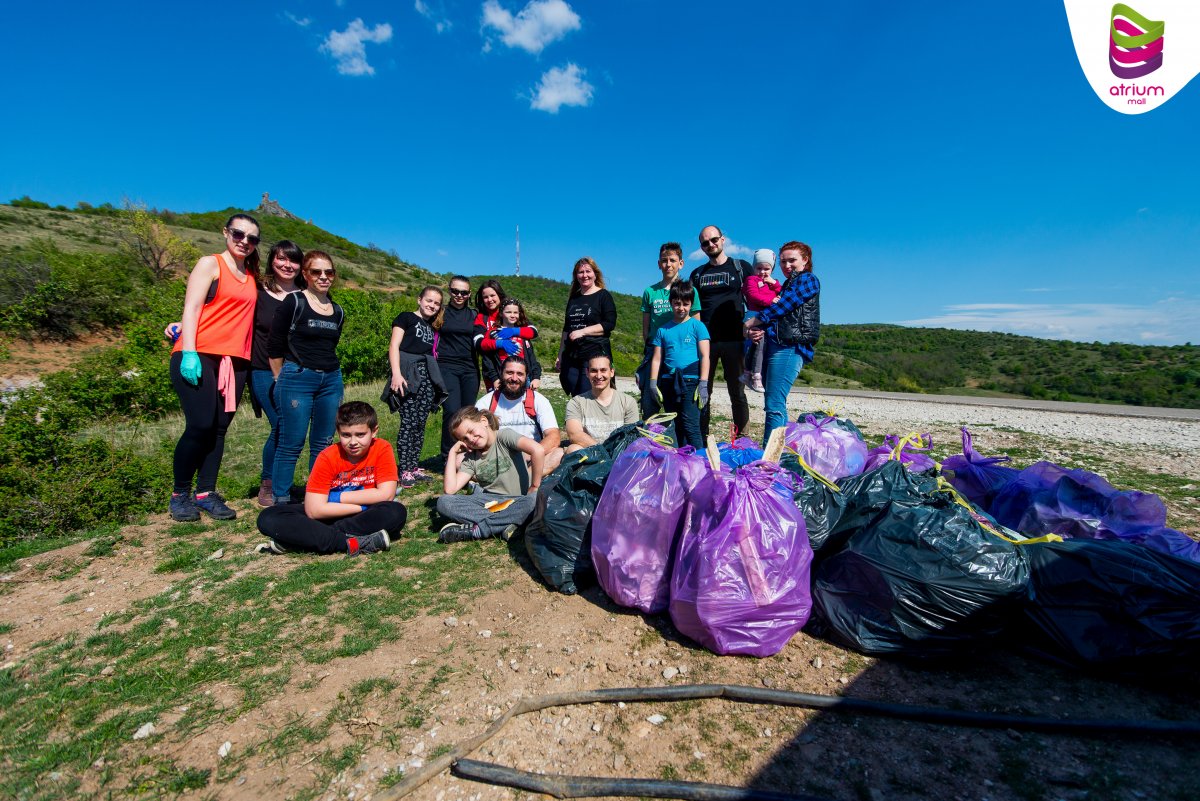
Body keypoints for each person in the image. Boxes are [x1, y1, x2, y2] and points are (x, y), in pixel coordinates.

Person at [168, 213, 261, 522]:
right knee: (200, 425)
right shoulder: (210, 264)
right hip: (199, 355)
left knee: (219, 429)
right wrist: (189, 350)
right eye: (238, 234)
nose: (244, 241)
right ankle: (180, 494)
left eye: (252, 238)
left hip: (234, 362)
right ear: (225, 232)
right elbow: (192, 307)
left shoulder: (251, 277)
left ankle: (206, 493)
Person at [256, 401, 405, 556]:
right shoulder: (327, 456)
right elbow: (314, 510)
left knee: (395, 512)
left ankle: (302, 540)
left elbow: (386, 494)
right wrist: (363, 504)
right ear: (338, 432)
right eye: (346, 435)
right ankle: (354, 543)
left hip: (360, 514)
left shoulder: (382, 448)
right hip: (329, 514)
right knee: (269, 517)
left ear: (374, 432)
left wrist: (335, 497)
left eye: (360, 435)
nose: (353, 442)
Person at [267, 251, 346, 506]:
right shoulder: (294, 302)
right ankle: (281, 497)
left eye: (329, 272)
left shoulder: (338, 311)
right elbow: (275, 343)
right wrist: (280, 377)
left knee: (323, 442)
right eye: (316, 272)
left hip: (331, 380)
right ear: (306, 274)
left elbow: (332, 345)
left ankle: (317, 493)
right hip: (297, 377)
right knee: (292, 441)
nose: (323, 277)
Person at [744, 241, 821, 446]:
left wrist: (755, 319)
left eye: (792, 260)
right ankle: (773, 453)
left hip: (790, 347)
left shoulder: (808, 280)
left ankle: (770, 461)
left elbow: (786, 306)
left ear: (805, 260)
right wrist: (756, 332)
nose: (787, 266)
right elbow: (776, 317)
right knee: (773, 403)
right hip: (776, 344)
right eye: (784, 262)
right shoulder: (787, 284)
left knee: (775, 403)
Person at [436, 406, 544, 544]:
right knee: (444, 502)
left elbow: (538, 450)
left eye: (471, 431)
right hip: (490, 504)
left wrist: (535, 485)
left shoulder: (504, 436)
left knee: (535, 500)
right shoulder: (471, 458)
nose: (471, 439)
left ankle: (479, 530)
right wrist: (452, 453)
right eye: (465, 438)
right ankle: (507, 524)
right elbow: (450, 490)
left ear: (483, 421)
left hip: (519, 501)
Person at [690, 225, 752, 440]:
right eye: (705, 243)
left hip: (735, 340)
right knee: (703, 391)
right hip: (706, 342)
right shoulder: (697, 274)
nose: (710, 244)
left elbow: (755, 298)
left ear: (723, 240)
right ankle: (701, 438)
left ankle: (742, 439)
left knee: (737, 393)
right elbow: (692, 308)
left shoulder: (740, 267)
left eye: (714, 240)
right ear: (701, 247)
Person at [386, 285, 448, 489]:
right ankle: (403, 470)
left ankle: (413, 467)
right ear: (419, 299)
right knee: (408, 423)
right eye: (429, 300)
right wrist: (396, 373)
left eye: (436, 303)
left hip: (426, 377)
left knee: (420, 424)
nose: (432, 305)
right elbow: (394, 345)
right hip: (408, 375)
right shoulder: (406, 317)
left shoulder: (431, 327)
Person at [637, 243, 701, 418]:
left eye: (673, 260)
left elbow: (696, 325)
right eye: (664, 260)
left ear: (681, 263)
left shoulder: (689, 290)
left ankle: (680, 439)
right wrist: (650, 346)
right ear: (659, 264)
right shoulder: (650, 291)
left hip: (681, 352)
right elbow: (646, 326)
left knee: (679, 399)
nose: (668, 264)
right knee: (650, 398)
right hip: (655, 350)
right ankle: (650, 437)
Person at [649, 281, 711, 450]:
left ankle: (700, 464)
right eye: (677, 303)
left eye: (685, 304)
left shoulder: (698, 326)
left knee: (691, 425)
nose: (681, 308)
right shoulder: (663, 330)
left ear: (691, 304)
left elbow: (705, 356)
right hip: (668, 381)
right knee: (675, 426)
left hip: (690, 382)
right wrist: (653, 383)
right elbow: (656, 359)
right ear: (671, 303)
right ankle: (680, 463)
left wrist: (703, 383)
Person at [475, 357, 564, 472]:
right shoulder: (485, 402)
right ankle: (523, 481)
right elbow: (475, 436)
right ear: (501, 374)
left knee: (559, 454)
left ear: (526, 376)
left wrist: (530, 454)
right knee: (460, 459)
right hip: (496, 459)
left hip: (530, 459)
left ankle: (507, 482)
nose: (514, 378)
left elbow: (554, 437)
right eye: (509, 373)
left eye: (520, 374)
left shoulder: (539, 400)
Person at [556, 257, 617, 397]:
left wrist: (583, 332)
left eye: (588, 271)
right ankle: (576, 419)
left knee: (587, 393)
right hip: (572, 355)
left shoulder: (603, 296)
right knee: (574, 392)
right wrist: (560, 355)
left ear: (595, 274)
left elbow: (609, 324)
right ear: (576, 276)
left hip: (594, 353)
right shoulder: (574, 298)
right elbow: (566, 328)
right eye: (580, 272)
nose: (584, 275)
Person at [437, 275, 481, 464]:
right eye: (455, 291)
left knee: (468, 413)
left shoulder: (474, 314)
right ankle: (448, 455)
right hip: (446, 367)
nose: (459, 295)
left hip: (470, 368)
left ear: (469, 294)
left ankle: (467, 453)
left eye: (463, 292)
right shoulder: (440, 312)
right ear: (449, 291)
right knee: (452, 411)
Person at [564, 354, 639, 452]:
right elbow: (575, 434)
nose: (599, 376)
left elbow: (631, 435)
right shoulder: (576, 403)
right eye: (594, 371)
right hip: (591, 452)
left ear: (612, 372)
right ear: (587, 373)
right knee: (573, 449)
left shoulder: (628, 402)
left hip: (619, 453)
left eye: (603, 370)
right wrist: (603, 451)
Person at [740, 248, 781, 394]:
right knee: (756, 344)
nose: (762, 272)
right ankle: (755, 375)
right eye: (759, 268)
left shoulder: (771, 283)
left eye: (767, 269)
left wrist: (774, 283)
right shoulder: (751, 280)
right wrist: (772, 301)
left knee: (760, 346)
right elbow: (753, 296)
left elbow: (781, 293)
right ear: (753, 268)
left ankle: (747, 374)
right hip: (753, 315)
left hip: (765, 317)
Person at [481, 297, 541, 392]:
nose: (512, 315)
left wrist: (536, 377)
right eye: (508, 312)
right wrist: (495, 378)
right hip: (501, 380)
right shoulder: (493, 333)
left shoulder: (523, 334)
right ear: (501, 313)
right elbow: (487, 360)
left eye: (515, 312)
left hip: (524, 380)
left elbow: (531, 358)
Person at [472, 279, 507, 373]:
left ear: (499, 295)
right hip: (492, 371)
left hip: (516, 368)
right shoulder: (481, 317)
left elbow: (533, 331)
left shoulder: (511, 313)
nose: (490, 300)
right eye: (485, 297)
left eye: (492, 295)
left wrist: (515, 331)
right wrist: (499, 343)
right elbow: (477, 342)